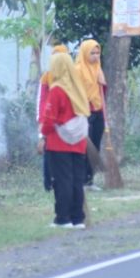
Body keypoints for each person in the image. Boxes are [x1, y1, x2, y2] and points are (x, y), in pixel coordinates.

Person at [38, 53, 90, 228]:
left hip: (59, 143)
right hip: (79, 141)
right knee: (77, 180)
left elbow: (49, 118)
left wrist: (43, 136)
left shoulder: (57, 89)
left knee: (62, 180)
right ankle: (78, 218)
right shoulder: (78, 87)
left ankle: (63, 218)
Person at [38, 44, 71, 192]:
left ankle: (62, 181)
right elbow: (41, 100)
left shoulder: (72, 77)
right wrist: (42, 122)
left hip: (66, 122)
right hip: (50, 119)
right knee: (48, 151)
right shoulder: (47, 77)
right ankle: (48, 183)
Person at [74, 39, 107, 187]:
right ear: (85, 53)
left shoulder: (98, 69)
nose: (95, 56)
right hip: (84, 113)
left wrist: (102, 83)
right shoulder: (78, 70)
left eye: (97, 53)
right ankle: (81, 179)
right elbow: (75, 93)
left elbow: (102, 94)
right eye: (92, 53)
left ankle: (90, 179)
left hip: (98, 111)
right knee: (84, 147)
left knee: (95, 146)